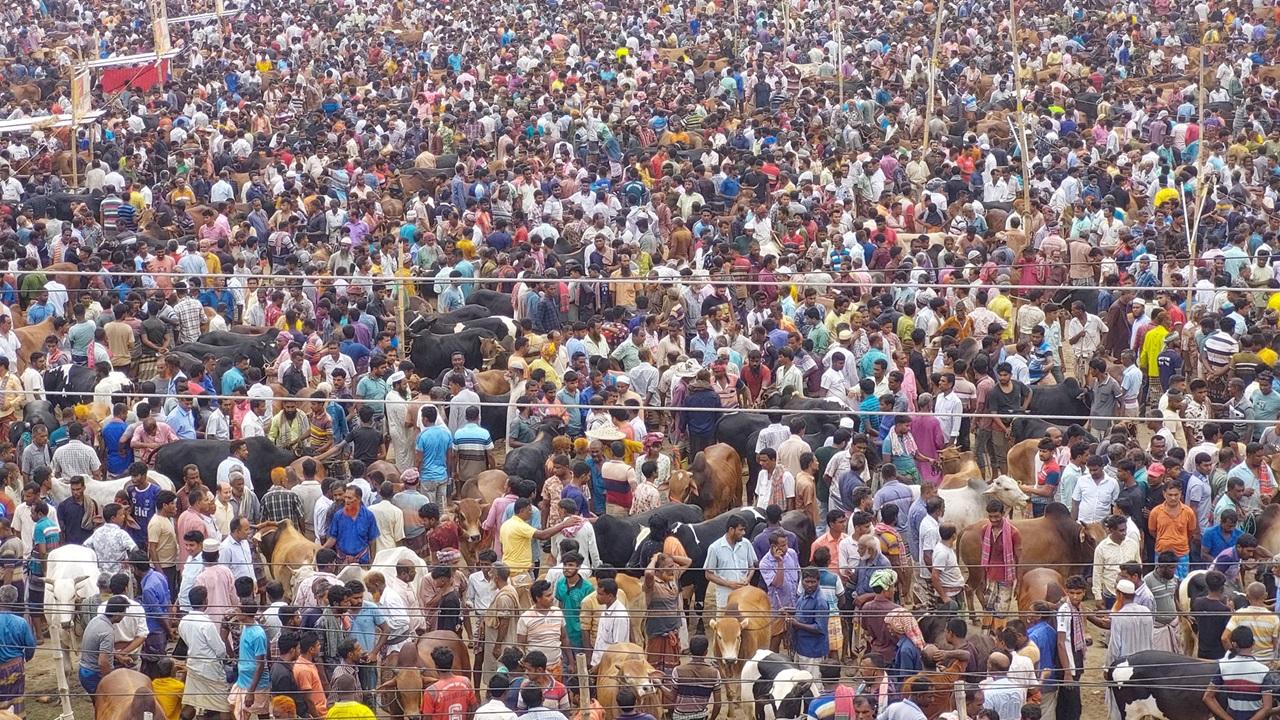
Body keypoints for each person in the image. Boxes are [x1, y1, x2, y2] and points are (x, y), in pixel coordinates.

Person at [1204, 626, 1273, 720]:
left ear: (1234, 644)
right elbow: (1267, 707)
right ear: (1253, 643)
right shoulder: (1264, 671)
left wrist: (1228, 718)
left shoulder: (1223, 666)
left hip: (1232, 715)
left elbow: (1207, 697)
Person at [0, 584, 35, 715]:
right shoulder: (21, 622)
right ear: (15, 601)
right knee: (17, 703)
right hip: (16, 667)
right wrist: (24, 659)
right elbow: (30, 646)